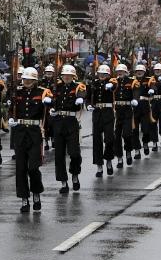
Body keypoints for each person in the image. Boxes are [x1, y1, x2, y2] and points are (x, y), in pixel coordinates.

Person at [8, 67, 50, 213]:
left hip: (34, 133)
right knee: (20, 168)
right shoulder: (16, 93)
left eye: (29, 79)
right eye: (24, 79)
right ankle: (24, 199)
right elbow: (10, 109)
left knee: (33, 167)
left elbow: (47, 114)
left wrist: (49, 103)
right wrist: (11, 119)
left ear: (35, 80)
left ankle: (36, 193)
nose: (26, 82)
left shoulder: (42, 93)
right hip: (20, 133)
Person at [50, 64, 85, 194]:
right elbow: (52, 100)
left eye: (69, 75)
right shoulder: (56, 87)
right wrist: (52, 108)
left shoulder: (78, 87)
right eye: (65, 75)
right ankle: (63, 182)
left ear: (73, 76)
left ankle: (75, 174)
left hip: (71, 122)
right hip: (58, 122)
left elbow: (83, 93)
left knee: (74, 152)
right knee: (59, 154)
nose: (66, 77)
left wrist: (80, 99)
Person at [88, 63, 117, 179]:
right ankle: (99, 165)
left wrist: (111, 86)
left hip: (108, 112)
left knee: (109, 138)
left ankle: (109, 159)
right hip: (97, 113)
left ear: (108, 75)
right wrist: (88, 105)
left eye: (104, 74)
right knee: (97, 140)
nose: (102, 76)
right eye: (100, 73)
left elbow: (116, 86)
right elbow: (88, 96)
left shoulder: (112, 83)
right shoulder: (94, 84)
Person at [113, 63, 139, 168]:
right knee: (117, 135)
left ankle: (128, 151)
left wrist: (135, 100)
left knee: (127, 134)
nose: (120, 73)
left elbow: (136, 91)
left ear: (125, 72)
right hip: (117, 110)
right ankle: (119, 158)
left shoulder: (132, 81)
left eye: (122, 71)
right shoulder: (114, 82)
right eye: (118, 71)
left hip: (128, 109)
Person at [40, 64, 57, 151]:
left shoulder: (56, 82)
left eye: (50, 73)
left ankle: (53, 139)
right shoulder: (42, 82)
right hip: (44, 105)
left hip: (52, 105)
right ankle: (46, 142)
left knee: (53, 123)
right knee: (45, 124)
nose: (49, 74)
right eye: (47, 72)